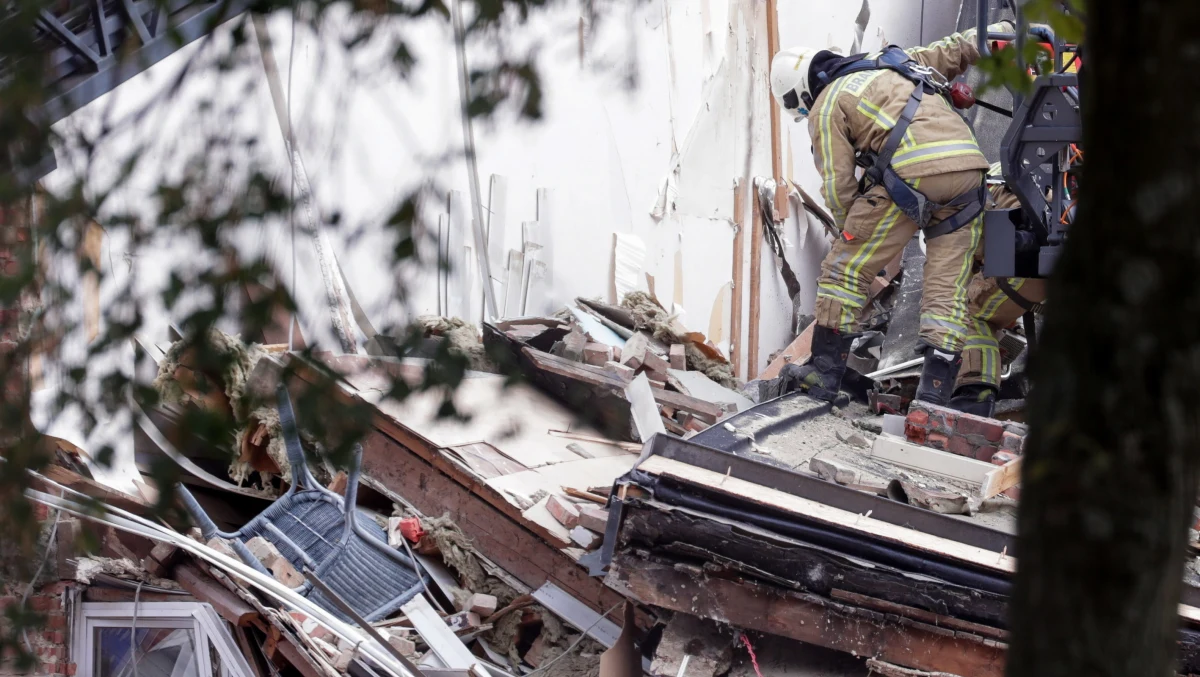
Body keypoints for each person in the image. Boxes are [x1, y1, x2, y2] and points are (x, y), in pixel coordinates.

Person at [768, 21, 1014, 405]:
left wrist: (855, 237)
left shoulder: (827, 102)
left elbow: (838, 184)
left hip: (914, 173)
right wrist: (1002, 31)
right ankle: (933, 398)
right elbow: (954, 50)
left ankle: (822, 376)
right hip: (970, 173)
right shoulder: (895, 62)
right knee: (948, 288)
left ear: (800, 91)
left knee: (844, 270)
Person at [951, 171, 1047, 417]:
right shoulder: (1049, 179)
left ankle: (974, 400)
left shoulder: (974, 193)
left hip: (1031, 269)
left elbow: (973, 246)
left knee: (969, 313)